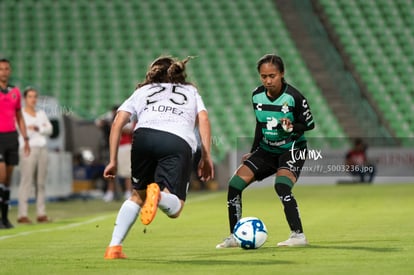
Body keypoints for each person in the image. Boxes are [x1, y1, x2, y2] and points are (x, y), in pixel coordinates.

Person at [103, 56, 214, 259]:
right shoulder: (190, 91)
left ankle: (114, 247)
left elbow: (118, 122)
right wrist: (205, 155)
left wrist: (112, 160)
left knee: (137, 195)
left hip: (143, 137)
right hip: (176, 140)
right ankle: (159, 196)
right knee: (176, 208)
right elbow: (204, 118)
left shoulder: (142, 91)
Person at [216, 54, 315, 248]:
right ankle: (236, 236)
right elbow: (260, 125)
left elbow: (309, 124)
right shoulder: (257, 95)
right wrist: (254, 151)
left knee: (282, 185)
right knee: (235, 185)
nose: (268, 80)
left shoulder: (294, 97)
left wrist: (292, 126)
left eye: (272, 75)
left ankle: (298, 235)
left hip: (292, 149)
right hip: (267, 149)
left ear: (282, 74)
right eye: (264, 76)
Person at [0, 58, 30, 229]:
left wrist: (25, 138)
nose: (4, 72)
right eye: (1, 69)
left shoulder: (15, 92)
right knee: (1, 176)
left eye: (6, 69)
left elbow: (19, 116)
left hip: (12, 137)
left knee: (8, 181)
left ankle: (5, 218)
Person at [17, 87, 53, 224]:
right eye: (30, 96)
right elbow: (22, 131)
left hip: (42, 148)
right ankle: (22, 214)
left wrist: (38, 128)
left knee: (41, 183)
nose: (33, 99)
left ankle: (41, 213)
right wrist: (39, 129)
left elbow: (50, 129)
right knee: (26, 181)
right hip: (28, 149)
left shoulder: (41, 113)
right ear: (25, 99)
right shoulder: (20, 114)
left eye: (35, 96)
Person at [96, 106, 134, 202]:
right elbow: (98, 122)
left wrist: (116, 124)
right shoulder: (110, 117)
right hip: (113, 147)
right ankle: (110, 192)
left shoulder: (127, 116)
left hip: (125, 146)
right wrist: (109, 121)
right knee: (111, 171)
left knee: (127, 172)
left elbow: (129, 129)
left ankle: (128, 192)